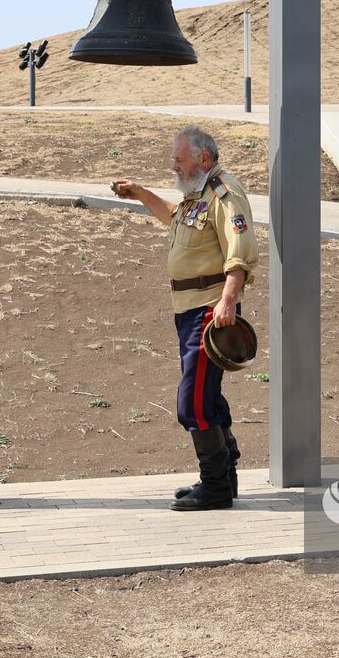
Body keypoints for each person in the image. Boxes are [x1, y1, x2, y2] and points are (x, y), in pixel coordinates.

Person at [111, 126, 259, 512]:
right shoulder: (198, 194)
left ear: (203, 159)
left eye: (179, 159)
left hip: (211, 310)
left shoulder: (225, 193)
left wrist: (228, 302)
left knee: (191, 403)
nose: (173, 165)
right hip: (190, 310)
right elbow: (173, 216)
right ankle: (224, 477)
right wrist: (141, 193)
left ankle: (215, 487)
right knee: (206, 394)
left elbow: (239, 253)